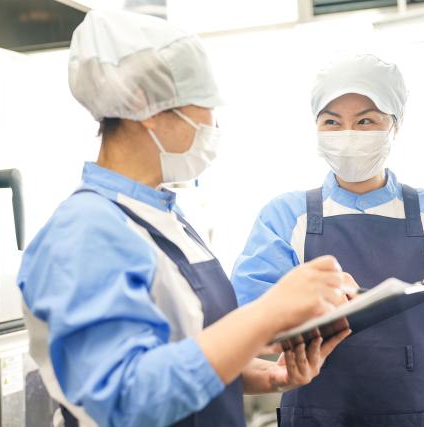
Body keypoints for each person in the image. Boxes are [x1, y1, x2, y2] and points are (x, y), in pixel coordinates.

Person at [17, 10, 351, 427]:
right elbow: (124, 397)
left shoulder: (162, 216)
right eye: (205, 104)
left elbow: (180, 351)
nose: (213, 123)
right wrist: (267, 313)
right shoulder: (85, 231)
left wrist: (266, 376)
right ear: (145, 104)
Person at [231, 54, 424, 427]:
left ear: (394, 126)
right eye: (332, 122)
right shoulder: (285, 218)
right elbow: (247, 327)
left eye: (365, 121)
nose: (348, 134)